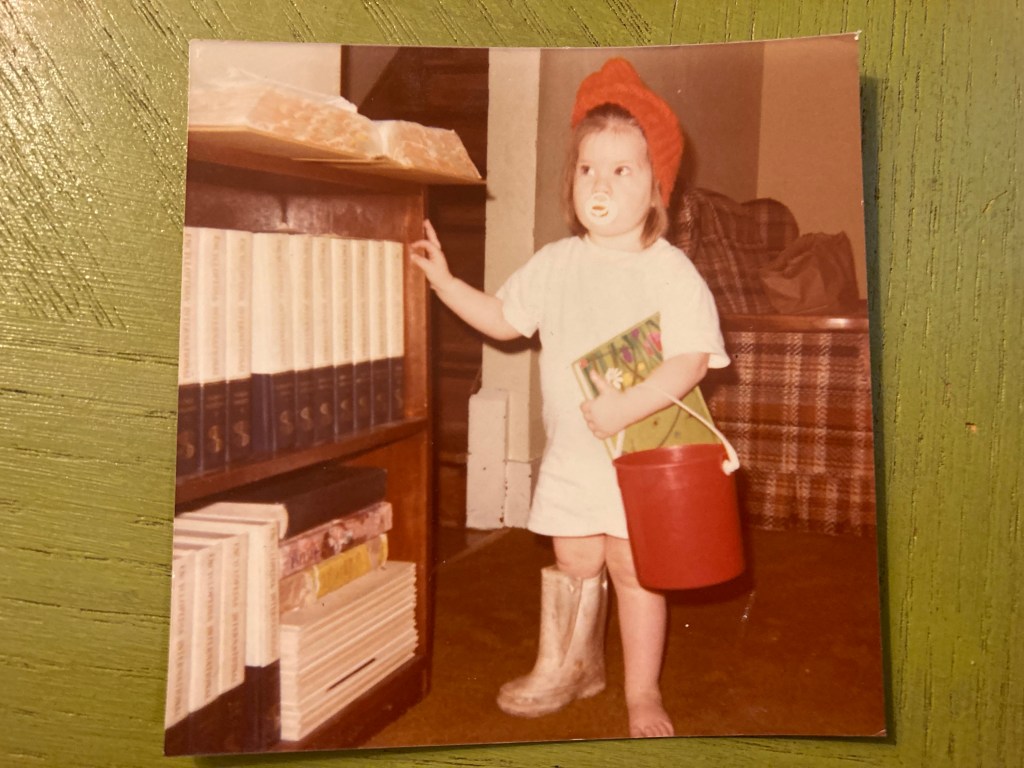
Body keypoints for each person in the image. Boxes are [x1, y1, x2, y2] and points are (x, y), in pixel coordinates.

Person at [410, 57, 730, 738]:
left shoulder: (669, 271)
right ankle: (571, 664)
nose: (602, 183)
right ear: (571, 182)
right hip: (574, 458)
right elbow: (503, 318)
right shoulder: (556, 264)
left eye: (623, 170)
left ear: (655, 188)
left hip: (640, 459)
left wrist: (625, 406)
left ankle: (642, 692)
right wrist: (445, 283)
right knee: (575, 561)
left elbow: (692, 360)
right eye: (589, 168)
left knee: (638, 571)